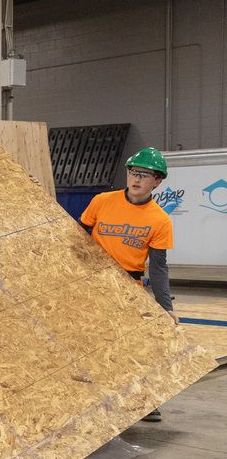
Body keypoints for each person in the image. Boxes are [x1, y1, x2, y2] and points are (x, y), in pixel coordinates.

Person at [80, 146, 175, 423]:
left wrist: (165, 307)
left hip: (127, 288)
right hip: (92, 284)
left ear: (157, 182)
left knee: (131, 348)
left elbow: (158, 268)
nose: (136, 179)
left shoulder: (160, 220)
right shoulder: (101, 201)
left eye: (145, 175)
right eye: (134, 172)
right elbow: (76, 237)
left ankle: (141, 400)